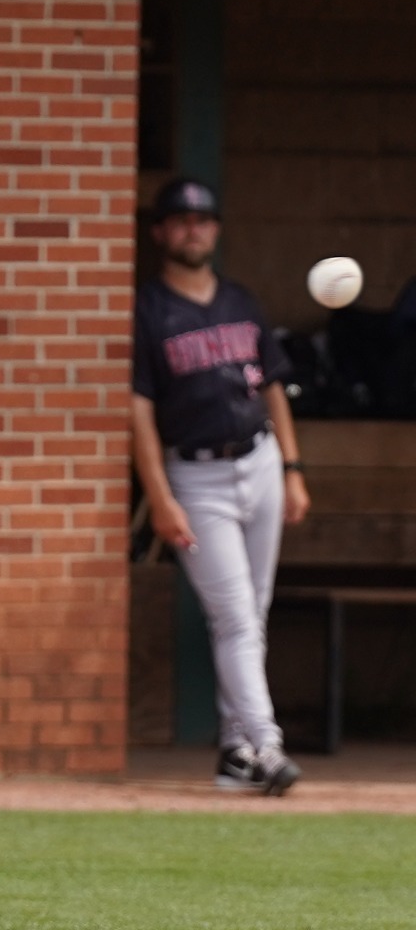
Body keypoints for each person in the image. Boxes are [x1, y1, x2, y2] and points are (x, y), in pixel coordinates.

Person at [132, 178, 312, 796]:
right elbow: (139, 413)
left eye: (202, 219)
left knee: (249, 615)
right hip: (197, 475)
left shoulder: (241, 301)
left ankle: (236, 753)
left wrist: (291, 468)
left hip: (259, 462)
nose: (192, 228)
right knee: (234, 615)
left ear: (215, 228)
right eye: (180, 219)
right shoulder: (147, 310)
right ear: (160, 232)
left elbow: (272, 390)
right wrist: (160, 496)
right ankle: (266, 744)